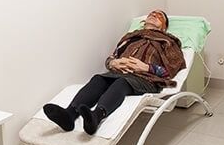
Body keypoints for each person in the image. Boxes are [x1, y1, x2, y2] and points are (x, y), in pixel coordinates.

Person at [43, 9, 186, 135]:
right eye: (151, 14)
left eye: (159, 16)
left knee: (121, 82)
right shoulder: (130, 37)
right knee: (99, 79)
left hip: (146, 78)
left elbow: (171, 70)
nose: (154, 15)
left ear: (164, 27)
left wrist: (147, 67)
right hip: (119, 73)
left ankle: (96, 117)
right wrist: (113, 63)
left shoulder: (168, 42)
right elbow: (112, 57)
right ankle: (69, 115)